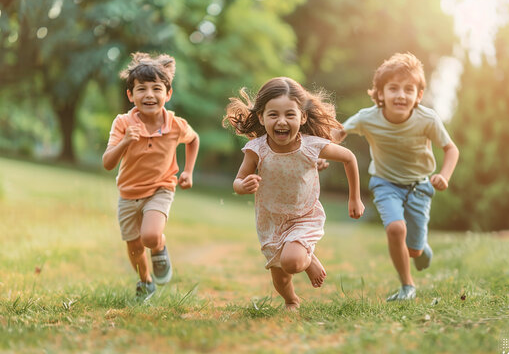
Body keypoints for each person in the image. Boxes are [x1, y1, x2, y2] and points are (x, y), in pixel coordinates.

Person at [223, 77, 364, 310]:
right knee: (280, 277)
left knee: (292, 260)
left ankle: (308, 259)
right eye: (273, 115)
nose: (282, 121)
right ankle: (291, 300)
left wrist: (355, 198)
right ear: (260, 117)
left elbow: (349, 158)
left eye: (290, 114)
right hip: (271, 221)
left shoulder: (311, 146)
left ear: (303, 117)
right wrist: (243, 185)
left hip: (304, 215)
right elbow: (237, 182)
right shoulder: (256, 149)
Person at [334, 52, 459, 301]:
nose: (401, 95)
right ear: (380, 93)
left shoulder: (427, 119)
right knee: (395, 229)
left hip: (419, 187)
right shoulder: (368, 117)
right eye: (393, 88)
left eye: (408, 89)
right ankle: (407, 287)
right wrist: (319, 155)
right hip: (385, 183)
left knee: (413, 250)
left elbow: (451, 149)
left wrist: (444, 176)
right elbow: (338, 133)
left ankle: (420, 249)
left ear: (418, 95)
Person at [103, 52, 200, 301]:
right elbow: (107, 163)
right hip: (128, 193)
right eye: (141, 89)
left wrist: (188, 171)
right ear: (130, 95)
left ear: (167, 94)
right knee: (134, 246)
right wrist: (125, 141)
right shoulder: (123, 123)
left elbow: (193, 140)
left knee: (149, 236)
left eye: (157, 89)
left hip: (161, 187)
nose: (149, 95)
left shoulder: (176, 124)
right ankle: (145, 283)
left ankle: (159, 248)